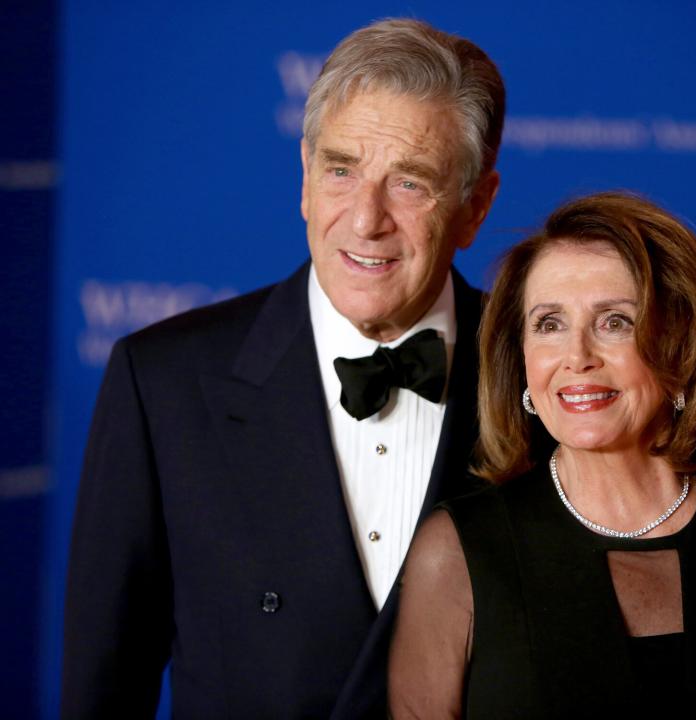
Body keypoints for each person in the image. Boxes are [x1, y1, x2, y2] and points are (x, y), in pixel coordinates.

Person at [61, 18, 503, 719]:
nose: (366, 219)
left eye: (410, 184)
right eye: (340, 169)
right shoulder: (163, 383)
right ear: (304, 179)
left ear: (475, 208)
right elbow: (102, 688)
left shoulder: (536, 379)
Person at [389, 192, 696, 718]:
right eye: (549, 324)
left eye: (614, 322)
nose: (577, 357)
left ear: (683, 343)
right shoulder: (458, 550)